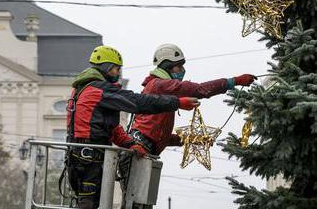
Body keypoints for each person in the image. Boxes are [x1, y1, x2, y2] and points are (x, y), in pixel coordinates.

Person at [119, 44, 256, 205]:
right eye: (179, 66)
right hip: (139, 151)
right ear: (167, 66)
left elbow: (158, 136)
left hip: (144, 151)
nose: (182, 70)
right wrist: (233, 81)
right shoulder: (161, 85)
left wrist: (189, 140)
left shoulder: (158, 88)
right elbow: (200, 90)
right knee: (136, 204)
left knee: (140, 204)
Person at [66, 45, 199, 209]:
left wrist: (131, 144)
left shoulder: (80, 90)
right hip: (90, 159)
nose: (117, 74)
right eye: (115, 69)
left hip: (78, 158)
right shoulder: (99, 90)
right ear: (105, 68)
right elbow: (138, 102)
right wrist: (177, 102)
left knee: (90, 202)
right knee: (89, 204)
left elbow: (113, 130)